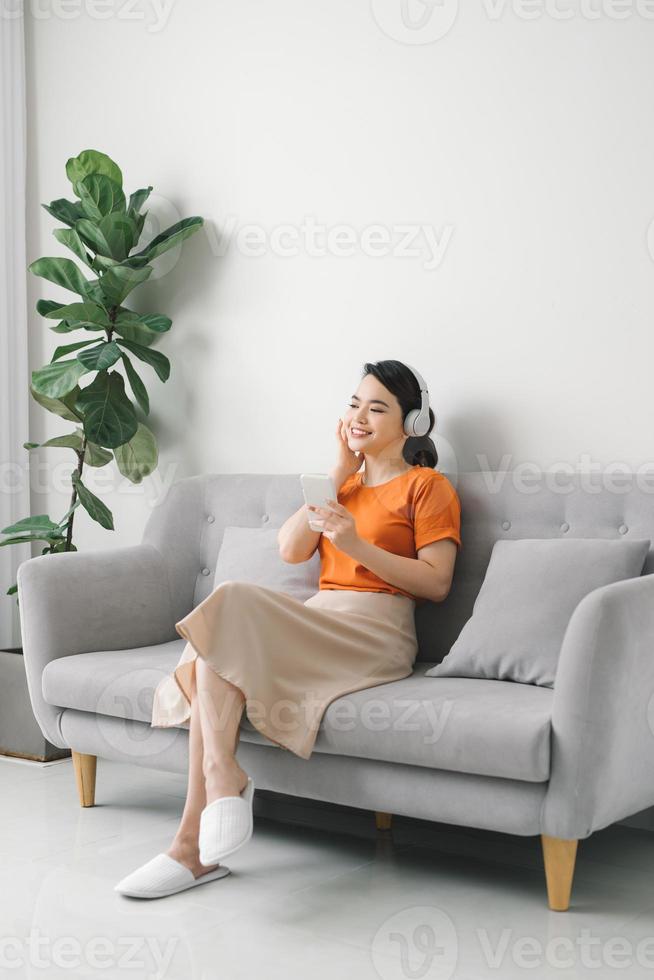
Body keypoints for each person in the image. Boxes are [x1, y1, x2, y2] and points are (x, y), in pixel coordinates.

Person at [114, 359, 461, 898]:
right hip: (322, 618)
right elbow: (290, 548)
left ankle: (199, 828)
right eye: (353, 403)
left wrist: (356, 546)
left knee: (223, 618)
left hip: (377, 631)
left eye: (377, 407)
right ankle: (200, 822)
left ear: (412, 423)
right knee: (215, 647)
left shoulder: (427, 487)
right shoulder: (340, 486)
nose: (359, 416)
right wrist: (338, 473)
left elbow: (437, 583)